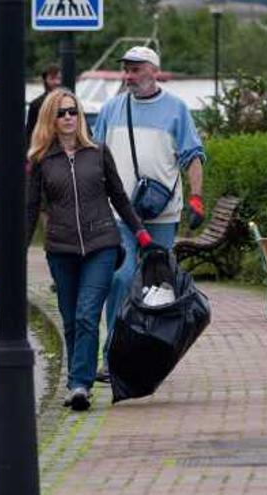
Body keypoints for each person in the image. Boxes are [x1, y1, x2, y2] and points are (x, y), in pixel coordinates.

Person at [25, 89, 153, 411]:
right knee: (70, 320)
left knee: (86, 315)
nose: (69, 117)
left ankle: (80, 385)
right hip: (61, 248)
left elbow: (119, 197)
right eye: (62, 113)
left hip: (102, 245)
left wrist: (139, 232)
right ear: (50, 120)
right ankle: (74, 382)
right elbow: (29, 209)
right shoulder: (42, 160)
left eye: (73, 111)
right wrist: (17, 252)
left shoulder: (98, 152)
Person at [93, 46, 206, 381]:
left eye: (135, 69)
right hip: (121, 214)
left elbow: (193, 155)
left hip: (163, 215)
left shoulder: (176, 110)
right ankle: (112, 356)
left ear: (153, 70)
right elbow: (93, 156)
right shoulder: (113, 109)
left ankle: (151, 355)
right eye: (126, 70)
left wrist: (196, 199)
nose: (128, 76)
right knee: (121, 278)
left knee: (159, 288)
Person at [26, 64, 62, 145]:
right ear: (45, 80)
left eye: (59, 78)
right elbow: (30, 132)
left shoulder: (69, 101)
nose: (57, 82)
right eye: (52, 79)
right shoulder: (36, 104)